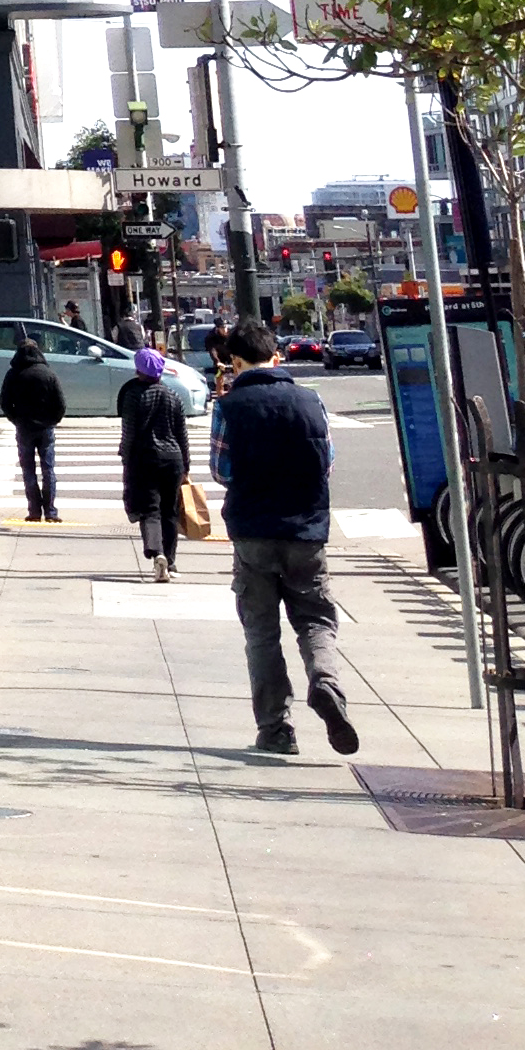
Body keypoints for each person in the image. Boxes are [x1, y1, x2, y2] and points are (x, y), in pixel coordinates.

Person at [209, 319, 358, 759]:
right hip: (306, 530)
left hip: (252, 530)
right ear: (275, 357)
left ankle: (276, 728)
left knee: (261, 632)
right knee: (315, 618)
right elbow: (326, 462)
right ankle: (325, 682)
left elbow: (221, 471)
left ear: (235, 362)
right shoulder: (311, 400)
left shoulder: (228, 406)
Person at [118, 343, 191, 580]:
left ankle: (157, 553)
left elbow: (129, 431)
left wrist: (125, 457)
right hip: (173, 458)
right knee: (170, 511)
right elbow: (182, 434)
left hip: (145, 458)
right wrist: (186, 465)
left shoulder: (133, 395)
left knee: (150, 509)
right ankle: (171, 561)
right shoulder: (173, 396)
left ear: (139, 370)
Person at [0, 332, 66, 521]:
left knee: (28, 470)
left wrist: (16, 419)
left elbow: (5, 402)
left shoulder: (13, 374)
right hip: (45, 427)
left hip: (24, 427)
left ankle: (34, 511)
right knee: (48, 469)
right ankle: (50, 511)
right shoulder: (48, 373)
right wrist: (53, 420)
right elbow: (60, 404)